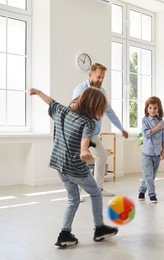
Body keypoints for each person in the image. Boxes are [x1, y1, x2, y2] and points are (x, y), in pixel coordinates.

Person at [30, 87, 118, 247]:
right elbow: (85, 140)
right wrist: (84, 150)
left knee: (73, 199)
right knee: (96, 193)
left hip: (59, 165)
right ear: (94, 107)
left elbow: (50, 100)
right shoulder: (88, 122)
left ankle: (64, 234)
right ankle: (99, 229)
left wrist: (37, 92)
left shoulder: (62, 111)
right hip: (75, 167)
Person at [73, 63, 129, 197]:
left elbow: (109, 111)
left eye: (103, 77)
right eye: (99, 77)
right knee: (80, 160)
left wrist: (121, 129)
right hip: (80, 133)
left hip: (93, 133)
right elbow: (74, 110)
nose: (101, 80)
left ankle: (98, 189)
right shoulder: (80, 89)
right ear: (90, 74)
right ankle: (76, 193)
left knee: (102, 156)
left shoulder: (102, 91)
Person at [138, 96, 164, 203]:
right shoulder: (145, 120)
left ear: (158, 109)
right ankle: (152, 194)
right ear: (147, 109)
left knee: (152, 175)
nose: (152, 110)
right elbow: (146, 133)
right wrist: (156, 128)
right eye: (150, 108)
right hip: (147, 153)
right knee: (148, 175)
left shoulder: (161, 122)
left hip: (157, 153)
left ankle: (142, 190)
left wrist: (163, 152)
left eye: (155, 108)